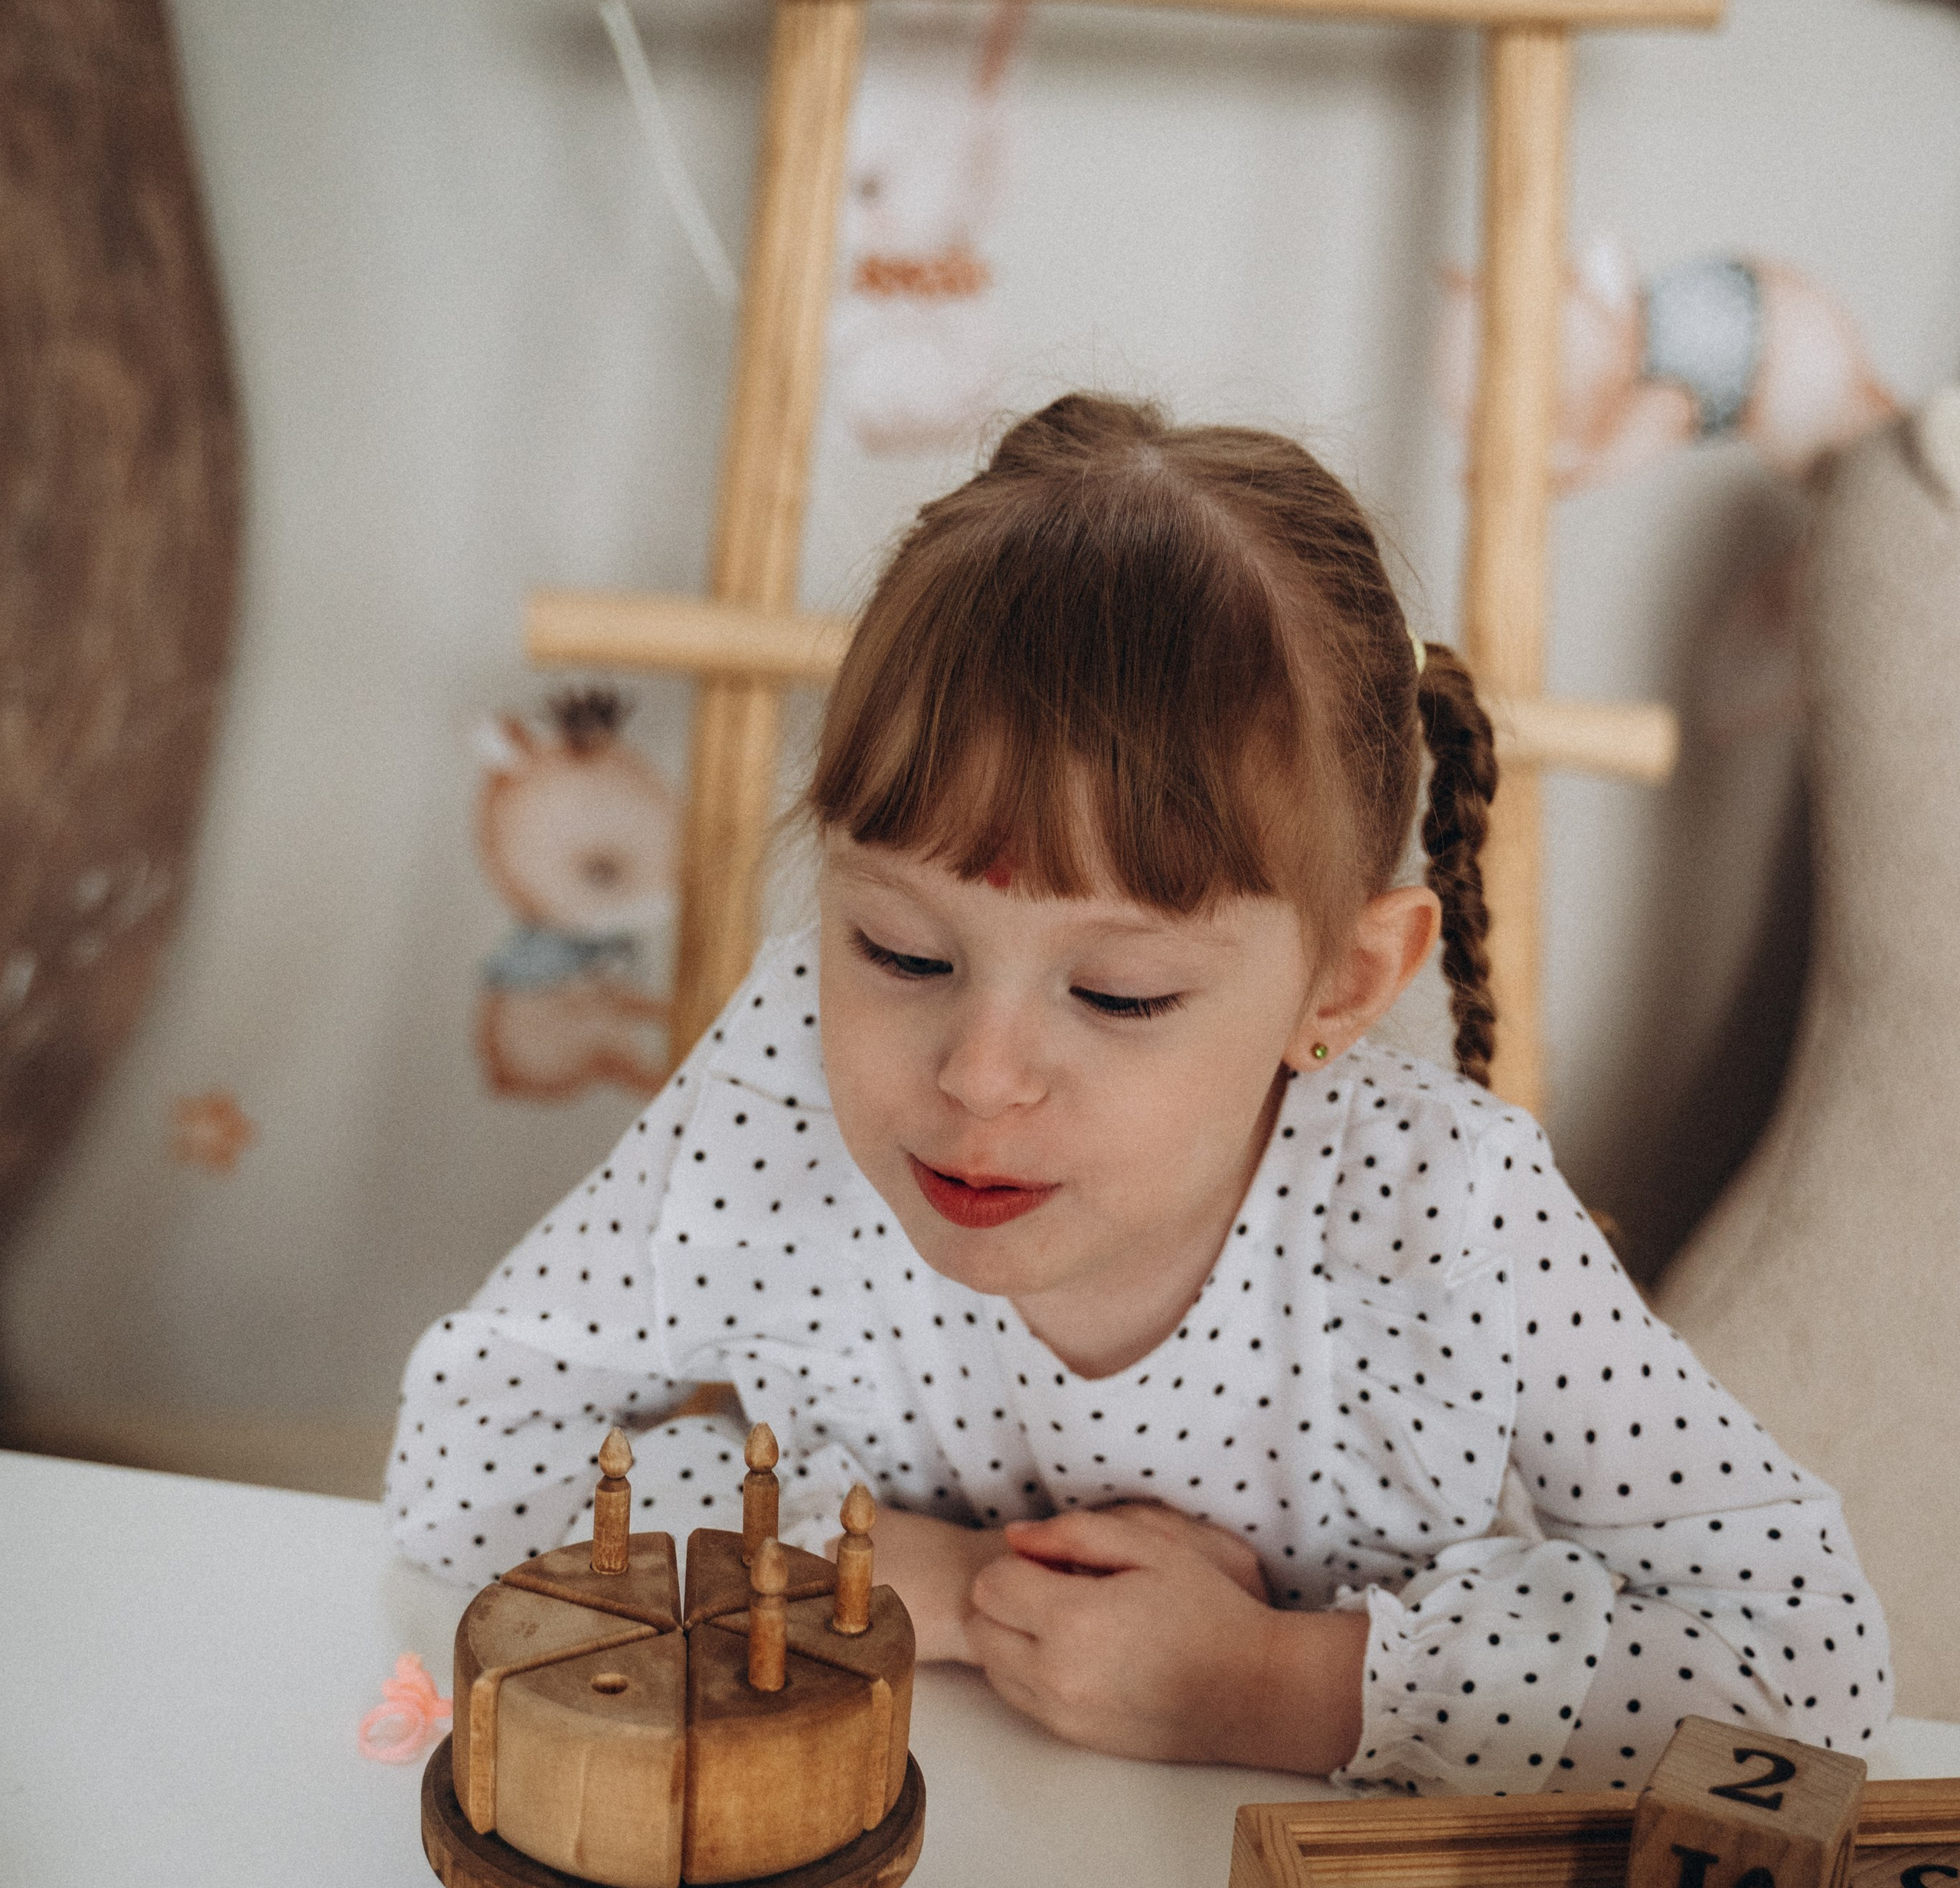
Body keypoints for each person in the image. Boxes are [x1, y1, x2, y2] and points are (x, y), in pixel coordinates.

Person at [386, 394, 1888, 1792]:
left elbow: (1806, 1671)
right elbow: (465, 1451)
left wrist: (1276, 1687)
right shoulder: (780, 1074)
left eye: (1117, 996)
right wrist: (913, 1579)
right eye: (901, 950)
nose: (976, 1074)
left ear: (1341, 987)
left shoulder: (1448, 1214)